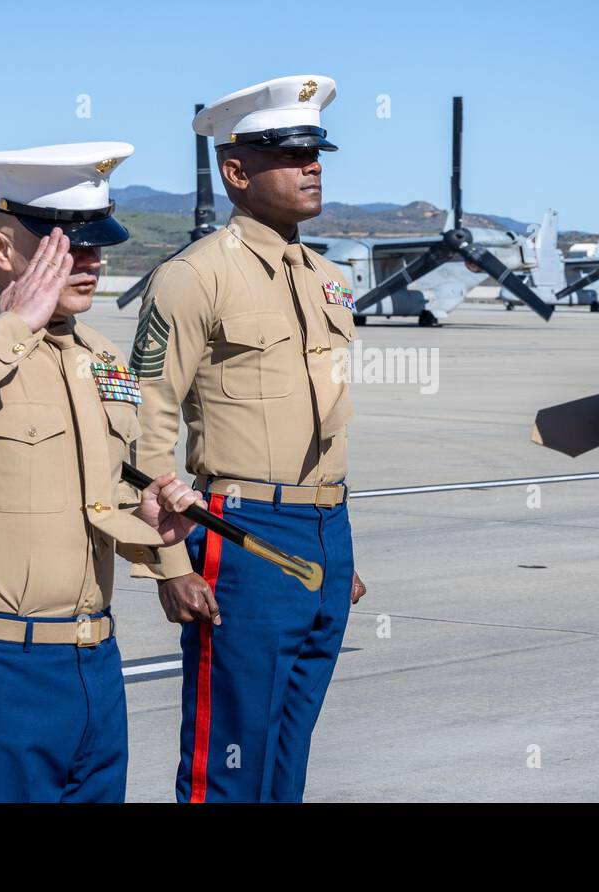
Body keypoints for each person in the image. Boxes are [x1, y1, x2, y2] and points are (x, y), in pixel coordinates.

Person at [0, 142, 203, 802]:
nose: (92, 259)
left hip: (94, 668)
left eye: (97, 241)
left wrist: (151, 530)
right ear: (1, 247)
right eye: (67, 244)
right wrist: (13, 322)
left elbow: (108, 487)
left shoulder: (104, 359)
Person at [131, 76, 365, 802]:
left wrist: (336, 546)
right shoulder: (193, 278)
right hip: (241, 533)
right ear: (236, 172)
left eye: (315, 152)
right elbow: (146, 424)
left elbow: (323, 426)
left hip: (324, 530)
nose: (311, 165)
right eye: (289, 154)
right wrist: (168, 562)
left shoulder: (329, 278)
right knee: (227, 763)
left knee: (287, 762)